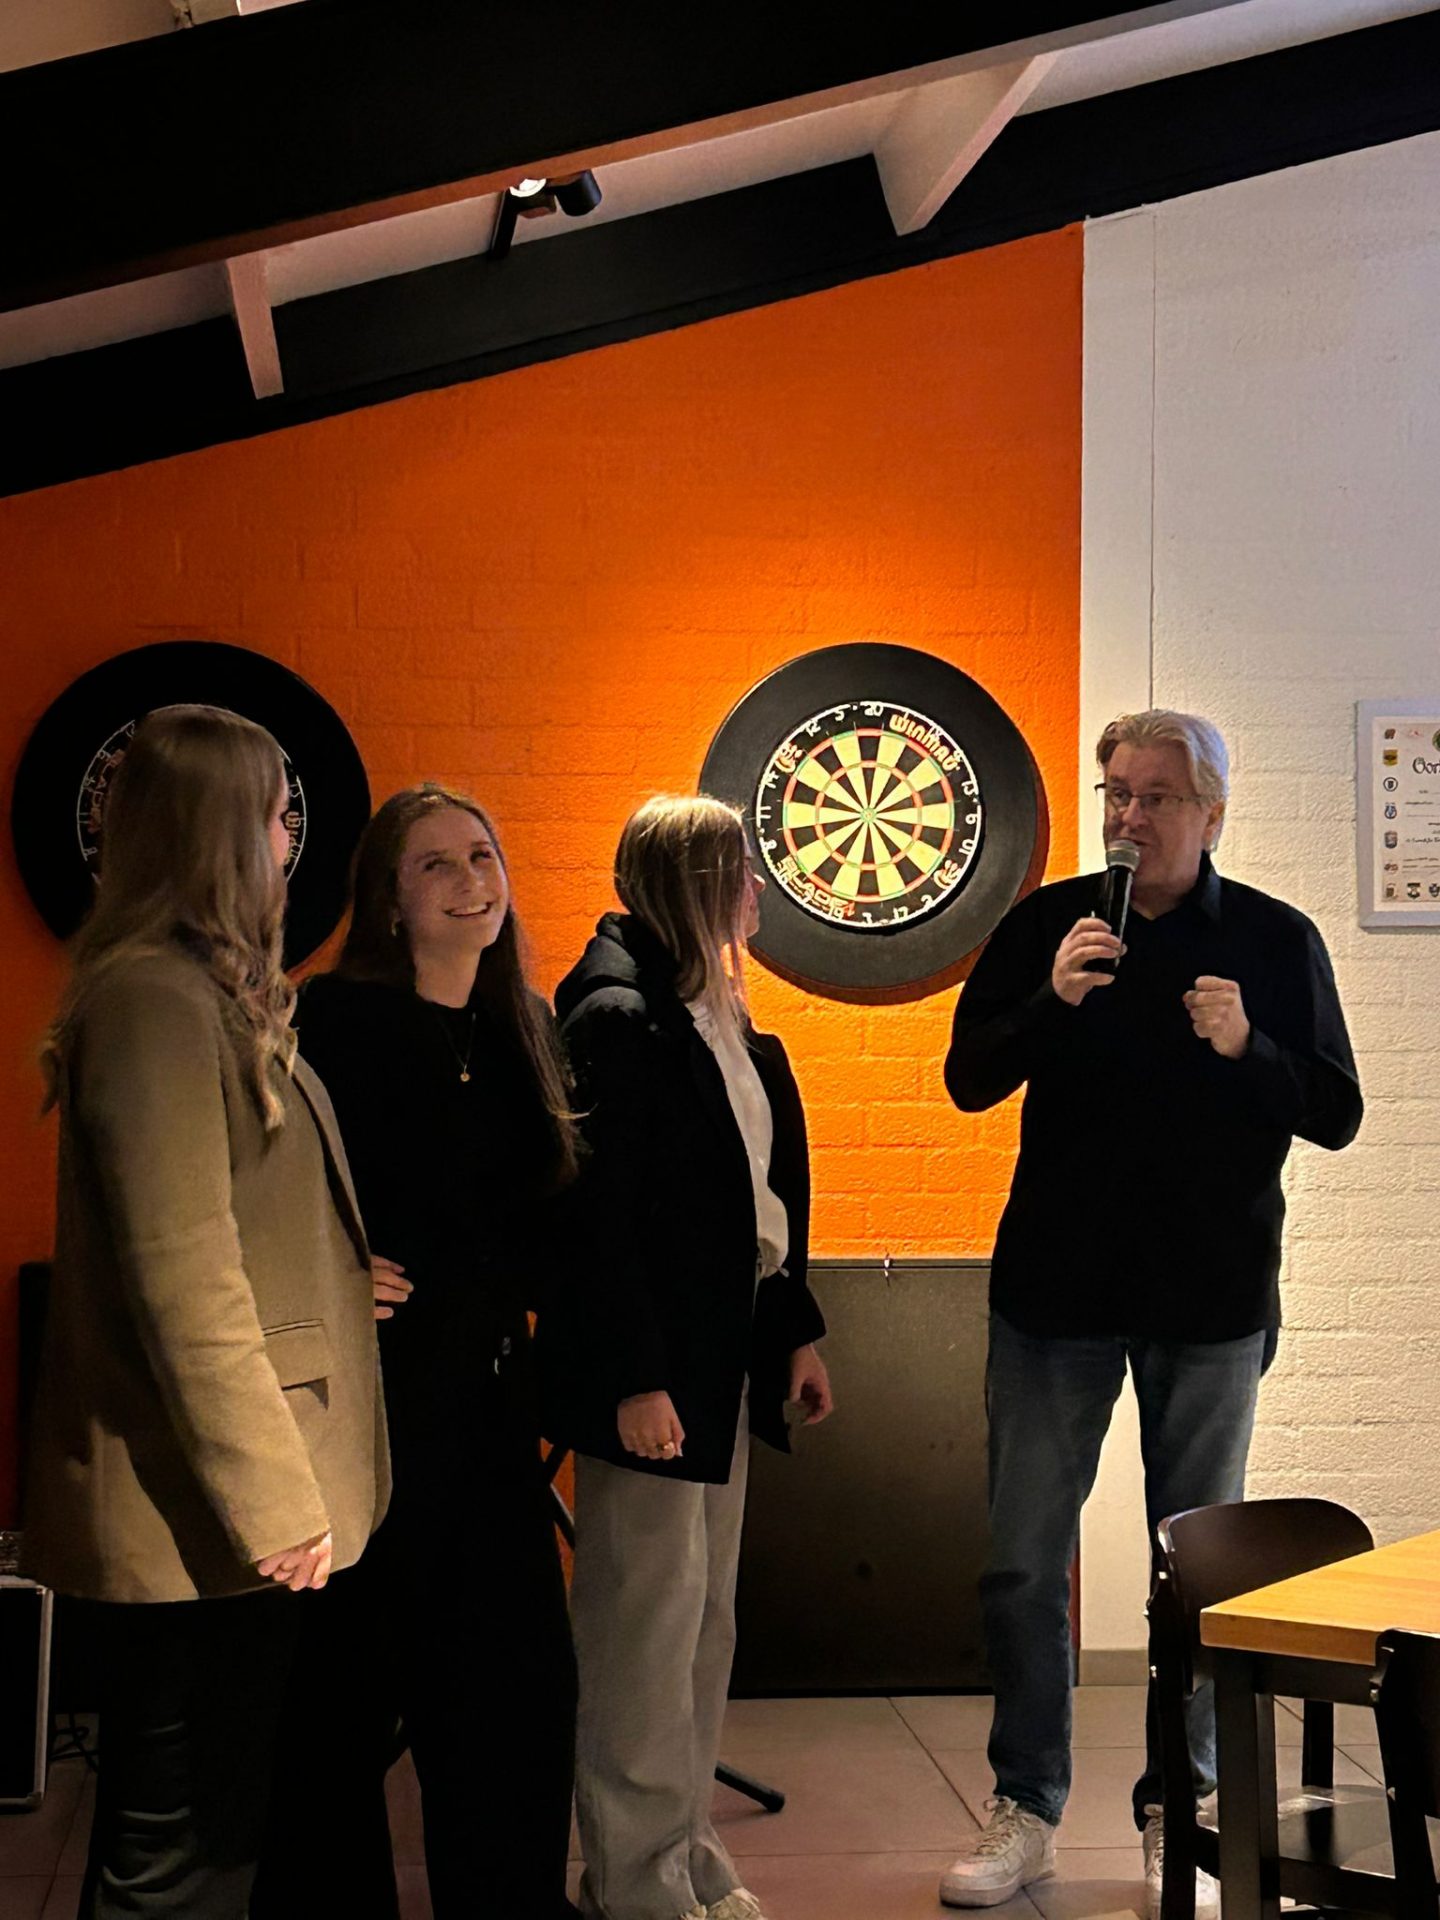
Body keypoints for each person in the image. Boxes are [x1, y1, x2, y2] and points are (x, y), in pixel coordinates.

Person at [938, 709, 1362, 1919]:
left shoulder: (1275, 940)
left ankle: (1184, 1806)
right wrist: (1048, 1005)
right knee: (1024, 1562)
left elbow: (1336, 1112)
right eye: (1115, 793)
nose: (1128, 817)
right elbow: (968, 1079)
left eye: (1156, 797)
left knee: (1197, 1576)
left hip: (1209, 1300)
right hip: (1055, 1297)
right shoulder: (1050, 926)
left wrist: (1250, 1046)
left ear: (1211, 813)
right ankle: (1027, 1806)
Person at [21, 704, 389, 1919]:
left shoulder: (199, 990)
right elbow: (182, 1279)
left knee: (215, 1836)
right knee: (176, 1861)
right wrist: (274, 1501)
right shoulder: (152, 1001)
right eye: (276, 816)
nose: (290, 841)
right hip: (198, 1512)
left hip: (218, 1509)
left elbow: (242, 1228)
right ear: (220, 831)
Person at [252, 784, 582, 1920]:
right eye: (435, 863)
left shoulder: (521, 1023)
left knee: (513, 1699)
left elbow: (545, 1219)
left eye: (482, 855)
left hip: (489, 1410)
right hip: (371, 1415)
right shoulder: (331, 1020)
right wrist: (330, 1280)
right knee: (341, 1703)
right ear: (388, 898)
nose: (470, 880)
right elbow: (260, 1199)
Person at [541, 794, 834, 1920]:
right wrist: (635, 1378)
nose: (756, 889)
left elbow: (760, 1194)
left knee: (704, 1622)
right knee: (642, 1632)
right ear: (696, 883)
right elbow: (595, 1221)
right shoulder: (618, 1016)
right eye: (740, 871)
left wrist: (791, 1328)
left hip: (722, 1351)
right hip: (655, 1370)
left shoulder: (715, 1010)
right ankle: (630, 1877)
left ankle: (685, 1849)